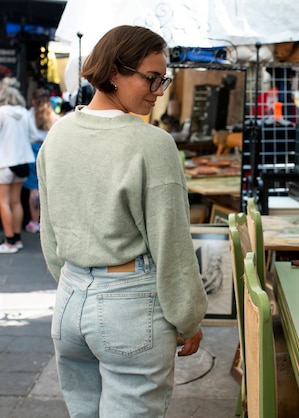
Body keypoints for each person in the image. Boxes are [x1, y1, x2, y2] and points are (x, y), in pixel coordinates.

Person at [36, 25, 208, 417]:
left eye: (162, 80)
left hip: (69, 301)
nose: (158, 90)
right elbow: (172, 243)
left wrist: (75, 281)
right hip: (129, 306)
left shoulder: (58, 135)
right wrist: (188, 316)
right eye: (151, 78)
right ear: (115, 71)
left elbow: (51, 233)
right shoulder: (152, 144)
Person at [0, 81, 38, 253]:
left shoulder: (1, 113)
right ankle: (17, 237)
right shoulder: (24, 113)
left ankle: (9, 241)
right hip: (23, 161)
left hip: (5, 162)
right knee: (16, 202)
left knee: (4, 202)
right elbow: (33, 136)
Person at [23, 87, 60, 233]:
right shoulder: (55, 117)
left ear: (33, 100)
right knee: (47, 187)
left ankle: (34, 222)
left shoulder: (28, 115)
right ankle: (46, 223)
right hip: (48, 151)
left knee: (34, 188)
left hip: (32, 152)